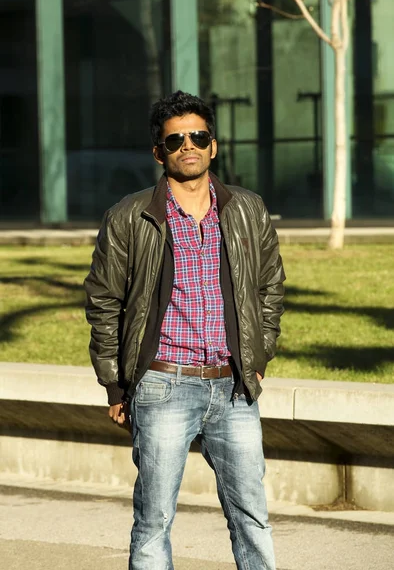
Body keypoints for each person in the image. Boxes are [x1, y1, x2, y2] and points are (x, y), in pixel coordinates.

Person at [84, 90, 285, 570]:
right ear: (159, 153)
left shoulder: (247, 209)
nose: (187, 146)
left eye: (198, 137)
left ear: (213, 146)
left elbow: (270, 287)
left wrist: (259, 355)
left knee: (252, 516)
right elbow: (103, 301)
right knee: (153, 521)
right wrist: (115, 384)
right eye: (175, 141)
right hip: (161, 383)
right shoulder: (130, 216)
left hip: (235, 385)